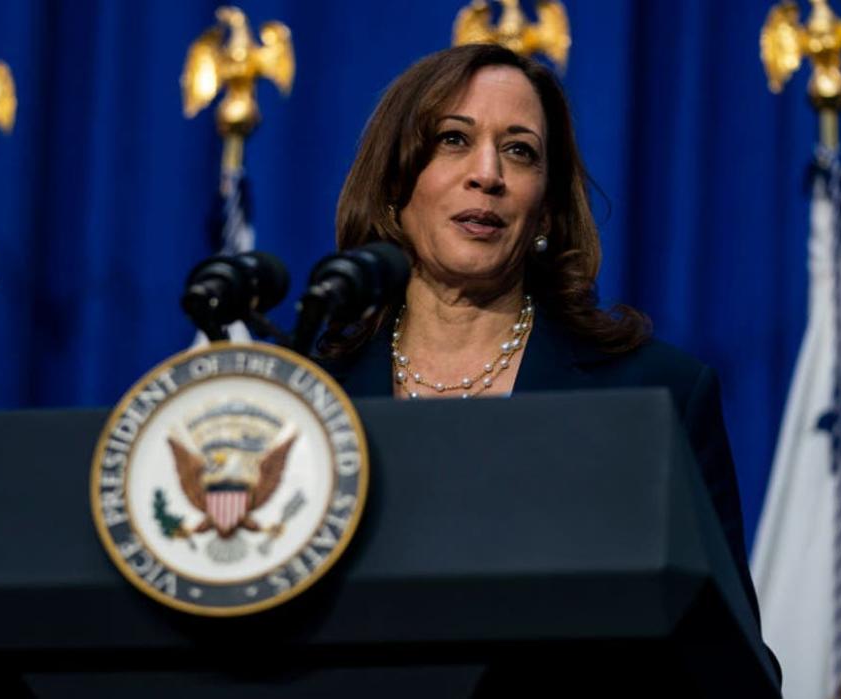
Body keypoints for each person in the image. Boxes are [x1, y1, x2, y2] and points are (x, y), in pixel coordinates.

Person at [320, 43, 778, 680]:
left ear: (545, 206)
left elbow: (732, 668)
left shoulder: (656, 396)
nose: (488, 173)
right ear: (396, 184)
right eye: (453, 139)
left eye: (520, 150)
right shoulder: (312, 395)